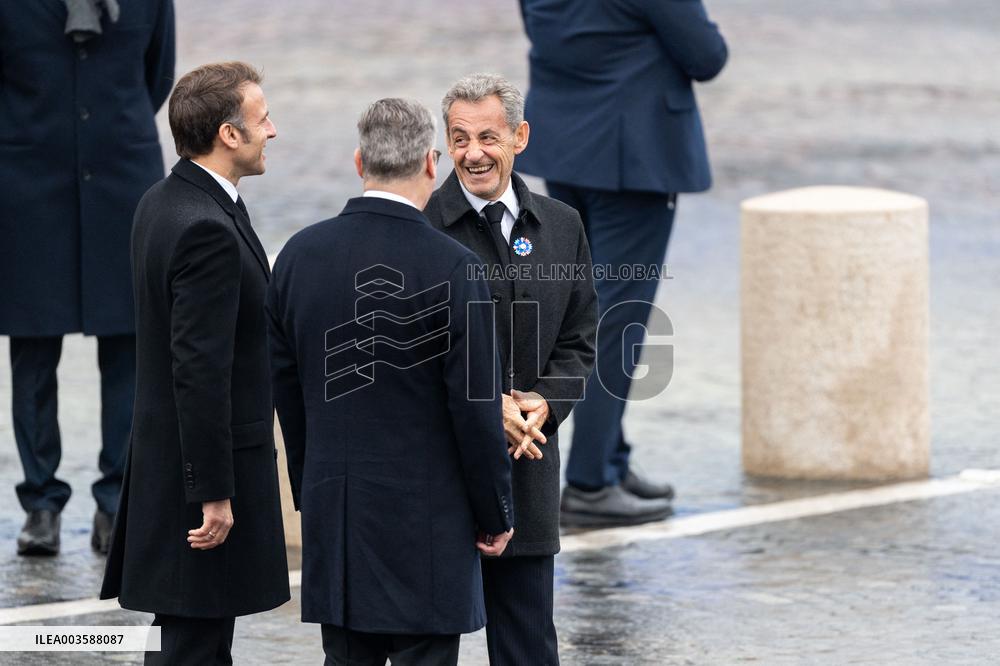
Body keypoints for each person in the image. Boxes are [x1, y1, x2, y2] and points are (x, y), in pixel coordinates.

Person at [267, 97, 515, 666]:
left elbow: (288, 391)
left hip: (338, 512)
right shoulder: (456, 268)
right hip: (428, 523)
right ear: (433, 164)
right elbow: (474, 408)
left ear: (359, 163)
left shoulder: (298, 256)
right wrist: (495, 510)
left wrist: (311, 489)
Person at [100, 62, 290, 665]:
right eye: (262, 120)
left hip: (168, 462)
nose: (273, 131)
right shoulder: (206, 226)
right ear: (228, 134)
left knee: (197, 642)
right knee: (196, 648)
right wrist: (214, 494)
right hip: (200, 480)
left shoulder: (164, 200)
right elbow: (199, 370)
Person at [517, 0, 729, 527]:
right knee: (620, 316)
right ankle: (590, 481)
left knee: (587, 307)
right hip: (634, 153)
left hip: (567, 143)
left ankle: (608, 455)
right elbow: (707, 55)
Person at [424, 73, 598, 666]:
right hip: (438, 475)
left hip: (527, 466)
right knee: (427, 642)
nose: (473, 154)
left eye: (488, 137)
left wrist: (543, 404)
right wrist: (484, 406)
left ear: (520, 137)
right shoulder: (420, 226)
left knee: (527, 643)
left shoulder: (562, 224)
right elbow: (407, 348)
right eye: (459, 138)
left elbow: (580, 340)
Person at [0, 0, 175, 556]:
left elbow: (157, 76)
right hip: (27, 183)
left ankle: (116, 502)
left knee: (128, 344)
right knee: (31, 350)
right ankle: (41, 505)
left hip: (123, 181)